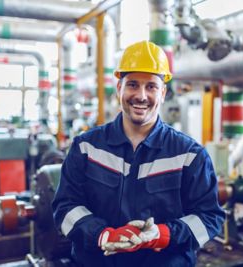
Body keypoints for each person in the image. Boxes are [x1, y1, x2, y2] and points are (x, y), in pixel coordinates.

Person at [52, 40, 225, 267]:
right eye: (133, 84)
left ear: (163, 93)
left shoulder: (189, 155)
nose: (141, 96)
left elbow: (209, 217)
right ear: (119, 89)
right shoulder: (86, 147)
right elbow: (65, 207)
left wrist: (164, 235)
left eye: (151, 86)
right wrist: (102, 235)